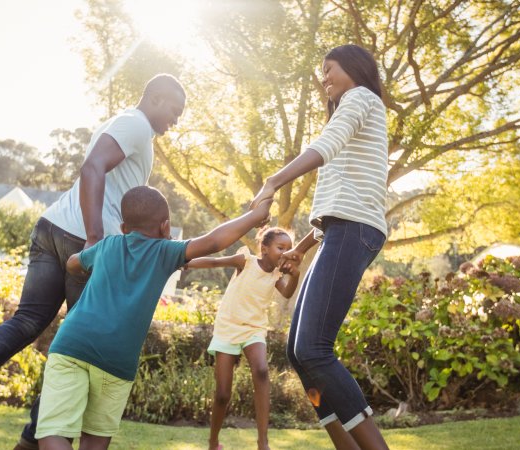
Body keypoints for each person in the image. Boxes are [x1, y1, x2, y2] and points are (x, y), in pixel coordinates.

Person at [0, 74, 187, 450]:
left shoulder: (123, 123)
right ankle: (30, 442)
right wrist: (93, 237)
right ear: (155, 98)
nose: (176, 119)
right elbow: (92, 168)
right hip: (85, 241)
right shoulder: (136, 125)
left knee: (27, 323)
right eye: (175, 110)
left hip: (52, 227)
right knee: (78, 349)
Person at [35, 185, 273, 450]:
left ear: (124, 227)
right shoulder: (165, 251)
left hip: (72, 345)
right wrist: (254, 217)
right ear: (165, 226)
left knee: (53, 432)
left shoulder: (108, 245)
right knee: (94, 439)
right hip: (116, 359)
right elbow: (214, 241)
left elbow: (72, 262)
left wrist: (80, 265)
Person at [249, 44, 390, 450]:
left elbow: (324, 146)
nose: (324, 78)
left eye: (329, 69)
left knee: (314, 347)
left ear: (355, 68)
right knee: (298, 351)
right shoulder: (356, 111)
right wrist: (305, 246)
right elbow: (337, 203)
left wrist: (273, 182)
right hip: (341, 229)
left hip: (354, 230)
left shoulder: (360, 97)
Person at [184, 227, 301, 450]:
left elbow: (287, 293)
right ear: (265, 249)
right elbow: (215, 262)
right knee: (222, 393)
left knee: (261, 370)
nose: (285, 253)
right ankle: (213, 441)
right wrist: (186, 262)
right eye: (281, 248)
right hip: (228, 327)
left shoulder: (277, 274)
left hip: (254, 329)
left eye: (289, 249)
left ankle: (263, 442)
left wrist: (294, 276)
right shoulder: (245, 260)